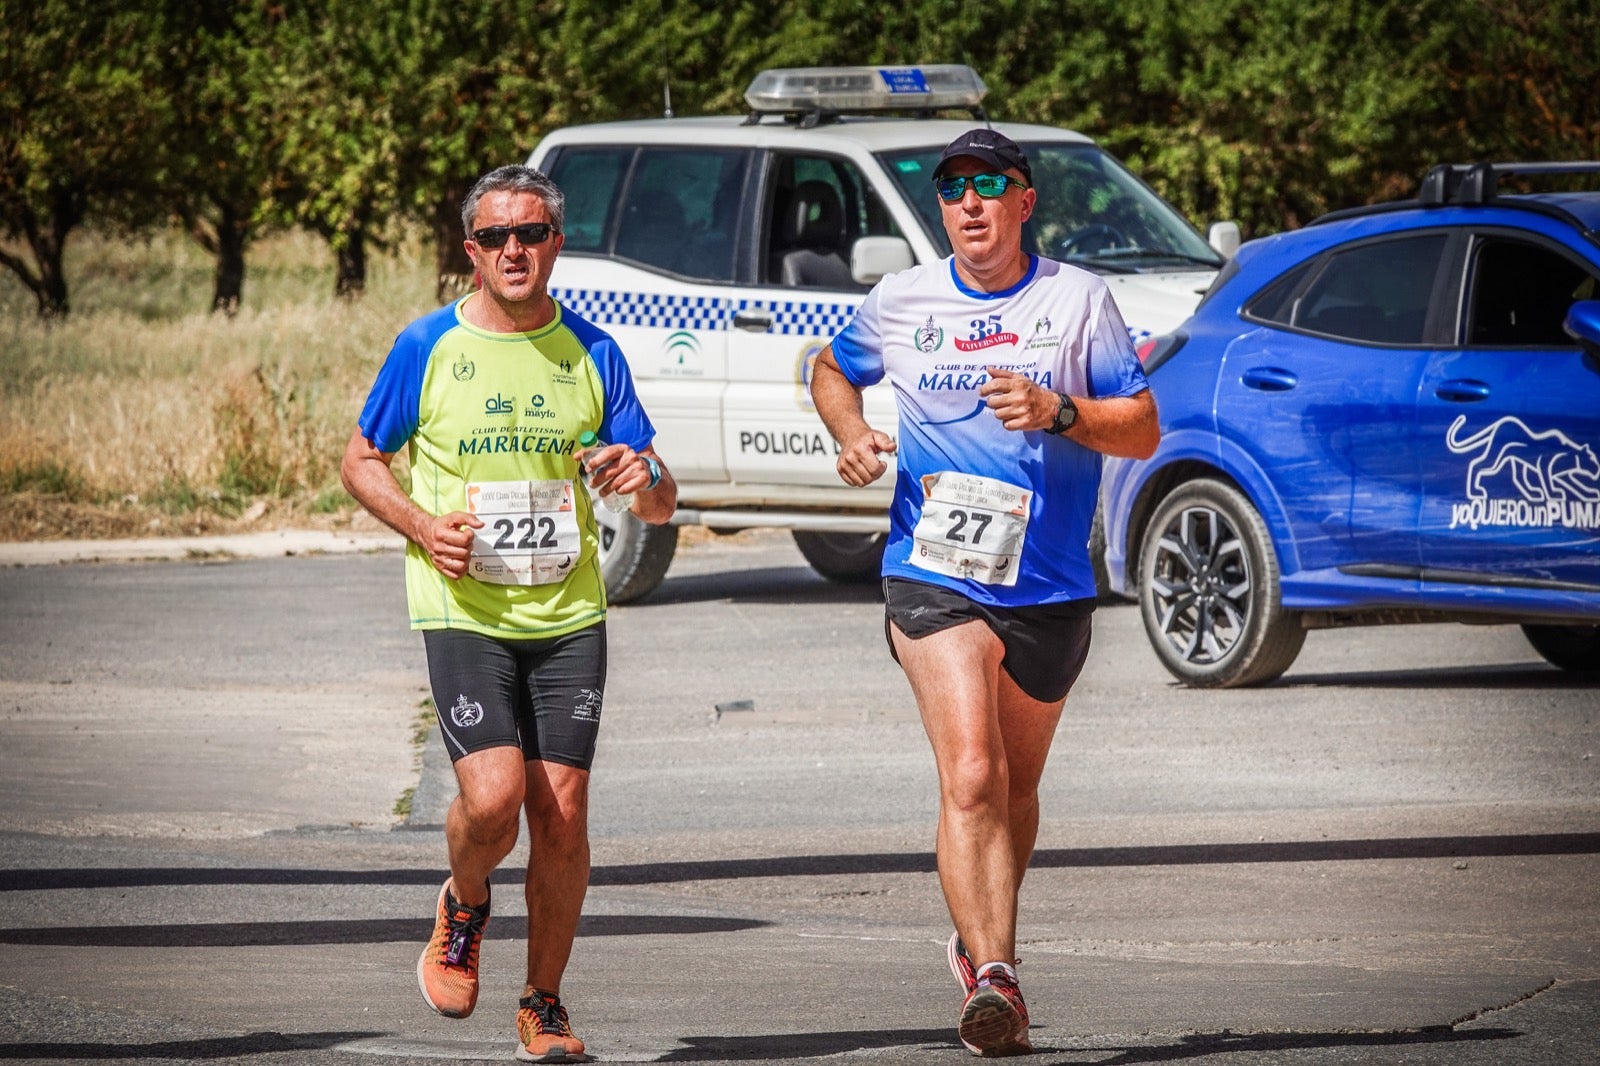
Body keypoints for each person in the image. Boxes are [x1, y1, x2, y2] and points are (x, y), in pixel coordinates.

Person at [809, 129, 1159, 1056]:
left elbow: (1143, 429)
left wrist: (1061, 412)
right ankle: (996, 973)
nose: (968, 203)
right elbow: (830, 367)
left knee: (1017, 785)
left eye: (988, 187)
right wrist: (849, 432)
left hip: (1047, 584)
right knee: (971, 774)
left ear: (1023, 201)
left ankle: (979, 940)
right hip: (931, 573)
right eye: (953, 189)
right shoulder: (903, 299)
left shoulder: (1078, 301)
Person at [341, 164, 676, 1063]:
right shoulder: (429, 347)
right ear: (471, 251)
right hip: (463, 606)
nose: (515, 250)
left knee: (560, 810)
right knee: (492, 800)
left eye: (531, 233)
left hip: (568, 613)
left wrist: (643, 478)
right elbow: (362, 458)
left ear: (556, 243)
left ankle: (545, 1001)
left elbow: (657, 500)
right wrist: (420, 525)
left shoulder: (594, 352)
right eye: (496, 237)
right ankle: (464, 900)